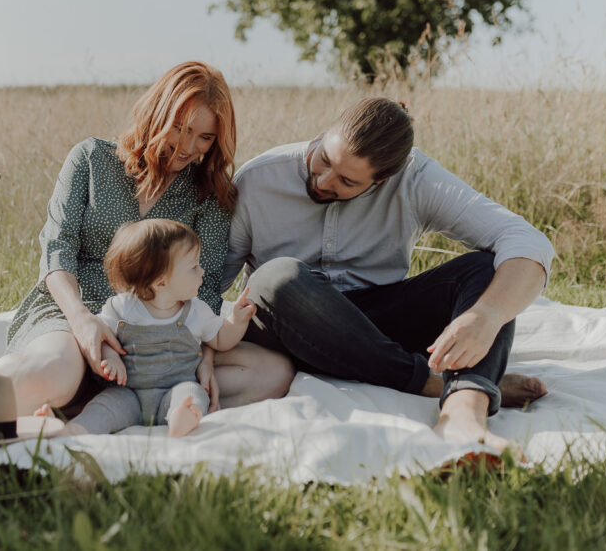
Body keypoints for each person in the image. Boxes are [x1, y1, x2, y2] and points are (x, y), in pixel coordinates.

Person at [221, 97, 554, 451]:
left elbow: (527, 242)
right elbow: (210, 282)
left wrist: (486, 316)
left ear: (383, 180)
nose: (322, 180)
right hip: (285, 326)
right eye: (324, 159)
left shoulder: (415, 179)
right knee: (277, 277)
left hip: (376, 323)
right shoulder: (259, 179)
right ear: (324, 133)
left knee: (488, 269)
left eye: (347, 181)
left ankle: (463, 412)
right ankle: (440, 382)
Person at [0, 61, 294, 417]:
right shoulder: (91, 159)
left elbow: (208, 286)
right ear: (157, 113)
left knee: (273, 374)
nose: (187, 147)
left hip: (161, 333)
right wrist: (82, 322)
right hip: (75, 309)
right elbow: (58, 250)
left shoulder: (210, 195)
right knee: (51, 374)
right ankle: (58, 389)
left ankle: (103, 399)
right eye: (180, 128)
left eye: (205, 137)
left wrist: (206, 358)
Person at [36, 219, 255, 436]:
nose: (202, 272)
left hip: (175, 389)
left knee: (193, 393)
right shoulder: (122, 308)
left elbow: (221, 339)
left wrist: (236, 320)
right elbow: (102, 336)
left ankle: (183, 417)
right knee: (103, 408)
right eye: (194, 267)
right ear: (161, 282)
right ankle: (72, 430)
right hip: (128, 393)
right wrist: (110, 356)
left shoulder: (196, 311)